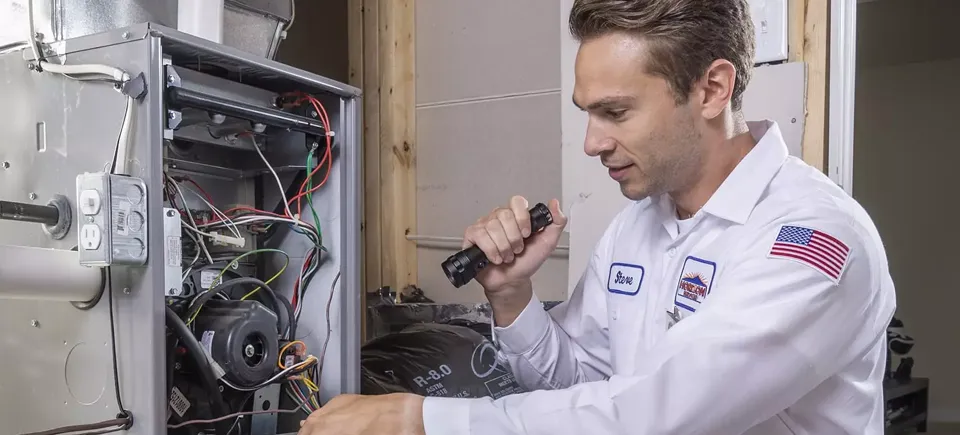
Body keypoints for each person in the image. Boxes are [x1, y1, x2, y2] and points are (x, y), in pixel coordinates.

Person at [297, 0, 897, 433]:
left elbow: (656, 415)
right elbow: (580, 384)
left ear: (712, 89)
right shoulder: (637, 226)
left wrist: (422, 420)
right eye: (588, 112)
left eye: (616, 112)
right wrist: (511, 297)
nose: (592, 143)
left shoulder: (814, 239)